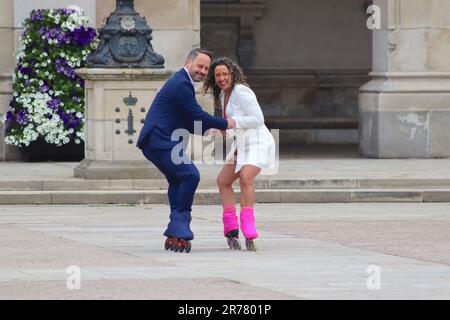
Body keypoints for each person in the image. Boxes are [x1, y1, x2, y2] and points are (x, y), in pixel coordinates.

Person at [137, 49, 236, 253]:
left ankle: (175, 228)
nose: (202, 71)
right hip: (159, 139)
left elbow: (186, 119)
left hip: (157, 140)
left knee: (177, 179)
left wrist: (210, 130)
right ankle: (180, 226)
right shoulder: (181, 83)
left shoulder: (183, 82)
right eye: (200, 66)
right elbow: (196, 113)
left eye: (206, 68)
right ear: (188, 62)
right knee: (190, 175)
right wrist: (226, 123)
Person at [203, 57, 276, 251]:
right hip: (242, 143)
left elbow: (258, 119)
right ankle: (231, 228)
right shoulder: (222, 95)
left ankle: (248, 227)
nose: (222, 78)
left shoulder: (241, 91)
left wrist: (231, 124)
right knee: (223, 181)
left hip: (259, 141)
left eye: (225, 74)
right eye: (218, 75)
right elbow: (230, 124)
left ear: (232, 74)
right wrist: (220, 131)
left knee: (246, 177)